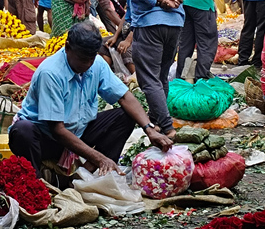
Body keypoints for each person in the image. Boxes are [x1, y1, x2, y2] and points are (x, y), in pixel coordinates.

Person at [9, 22, 173, 178]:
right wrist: (98, 157)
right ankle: (37, 181)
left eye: (91, 58)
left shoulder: (97, 64)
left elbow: (124, 96)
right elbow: (57, 129)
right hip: (48, 138)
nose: (87, 64)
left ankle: (85, 174)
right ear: (67, 48)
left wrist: (149, 129)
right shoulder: (51, 73)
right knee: (22, 130)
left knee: (126, 116)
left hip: (79, 130)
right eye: (82, 59)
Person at [123, 0, 199, 137]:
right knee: (162, 74)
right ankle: (157, 120)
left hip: (149, 22)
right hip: (174, 21)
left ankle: (166, 127)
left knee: (149, 78)